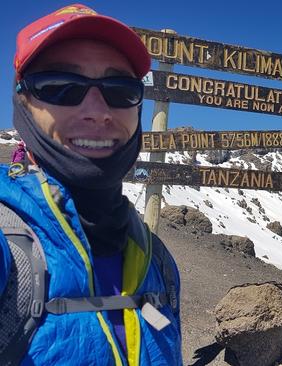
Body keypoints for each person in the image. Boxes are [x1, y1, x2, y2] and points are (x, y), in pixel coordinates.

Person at [0, 4, 181, 365]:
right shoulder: (10, 244)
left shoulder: (156, 259)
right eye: (60, 87)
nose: (98, 110)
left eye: (120, 89)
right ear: (23, 101)